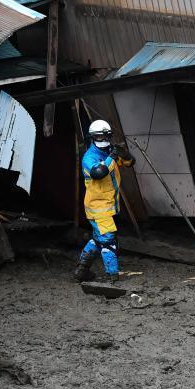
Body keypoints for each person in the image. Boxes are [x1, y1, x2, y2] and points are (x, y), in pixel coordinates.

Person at [74, 120, 135, 283]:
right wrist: (112, 157)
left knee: (98, 239)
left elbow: (129, 163)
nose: (102, 139)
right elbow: (98, 173)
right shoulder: (89, 157)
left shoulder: (109, 151)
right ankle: (112, 277)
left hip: (109, 207)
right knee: (108, 240)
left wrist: (124, 153)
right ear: (93, 137)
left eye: (104, 135)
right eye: (98, 136)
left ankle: (81, 271)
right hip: (98, 208)